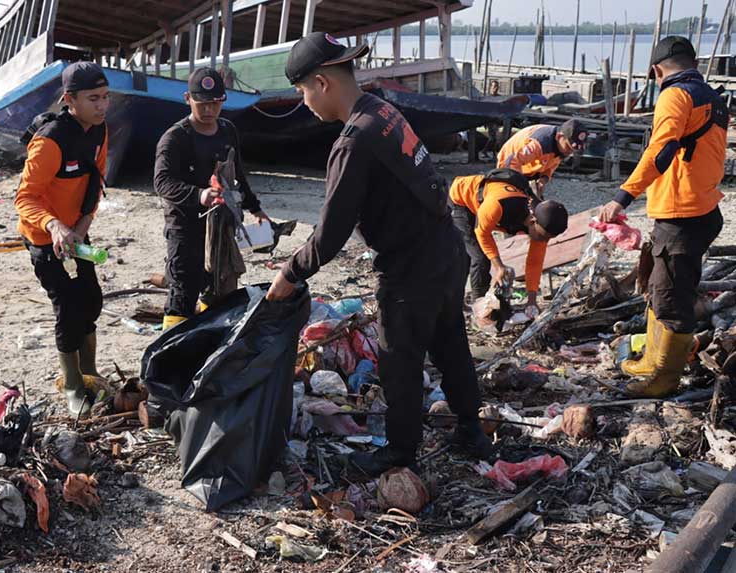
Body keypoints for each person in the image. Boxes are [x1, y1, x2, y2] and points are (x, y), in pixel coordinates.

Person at [265, 32, 491, 475]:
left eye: (302, 90)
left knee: (398, 360)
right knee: (450, 344)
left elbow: (330, 234)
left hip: (411, 266)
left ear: (322, 82)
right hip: (447, 247)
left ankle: (400, 453)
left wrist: (290, 273)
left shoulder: (353, 142)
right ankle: (471, 430)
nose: (304, 101)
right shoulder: (384, 111)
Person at [600, 36, 726, 398]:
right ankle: (653, 359)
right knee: (659, 286)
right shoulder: (713, 98)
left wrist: (622, 197)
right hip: (696, 209)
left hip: (683, 215)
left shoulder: (675, 95)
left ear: (656, 70)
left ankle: (663, 379)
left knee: (671, 297)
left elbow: (662, 149)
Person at [14, 61, 110, 416]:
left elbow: (96, 181)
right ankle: (72, 385)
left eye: (105, 97)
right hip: (44, 236)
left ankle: (90, 373)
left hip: (76, 231)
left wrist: (82, 226)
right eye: (93, 98)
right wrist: (55, 227)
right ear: (70, 100)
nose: (101, 106)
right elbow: (24, 198)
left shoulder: (99, 131)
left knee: (92, 300)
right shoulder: (50, 141)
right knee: (67, 307)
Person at [154, 67, 269, 329]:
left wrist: (255, 208)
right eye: (202, 104)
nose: (209, 110)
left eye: (215, 103)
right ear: (187, 99)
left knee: (219, 287)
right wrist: (199, 194)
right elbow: (162, 182)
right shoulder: (175, 138)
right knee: (183, 289)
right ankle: (171, 354)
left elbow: (237, 172)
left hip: (220, 226)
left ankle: (208, 343)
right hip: (185, 226)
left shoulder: (227, 131)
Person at [450, 170, 569, 315]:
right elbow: (482, 232)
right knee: (479, 258)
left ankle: (469, 304)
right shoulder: (498, 205)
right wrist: (499, 266)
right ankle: (479, 311)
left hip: (486, 209)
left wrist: (532, 301)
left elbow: (534, 263)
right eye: (543, 236)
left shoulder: (542, 226)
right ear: (532, 221)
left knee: (475, 257)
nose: (543, 241)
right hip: (462, 198)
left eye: (548, 238)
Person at [496, 119, 588, 197]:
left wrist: (543, 179)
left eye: (572, 151)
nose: (569, 152)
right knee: (511, 198)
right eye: (568, 148)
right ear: (559, 136)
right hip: (509, 163)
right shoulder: (539, 144)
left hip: (529, 165)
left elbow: (551, 166)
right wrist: (521, 186)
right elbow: (513, 161)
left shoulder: (561, 147)